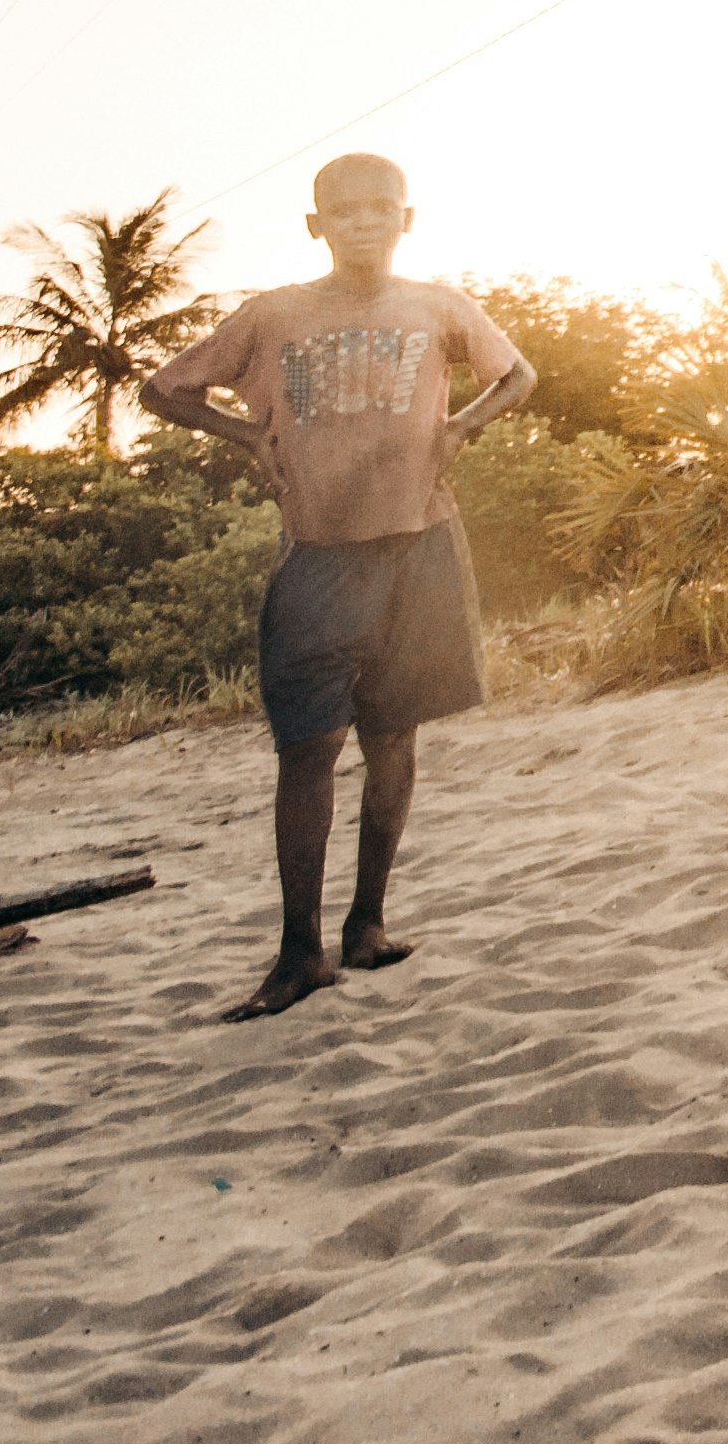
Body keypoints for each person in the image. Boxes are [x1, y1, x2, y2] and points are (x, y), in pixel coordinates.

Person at [141, 153, 534, 1024]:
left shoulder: (438, 307)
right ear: (316, 227)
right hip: (318, 554)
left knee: (395, 737)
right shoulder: (275, 314)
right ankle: (297, 951)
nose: (363, 222)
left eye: (379, 209)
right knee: (308, 749)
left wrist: (462, 427)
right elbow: (164, 387)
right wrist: (246, 436)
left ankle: (366, 925)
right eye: (343, 213)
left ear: (407, 218)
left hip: (421, 544)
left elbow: (519, 373)